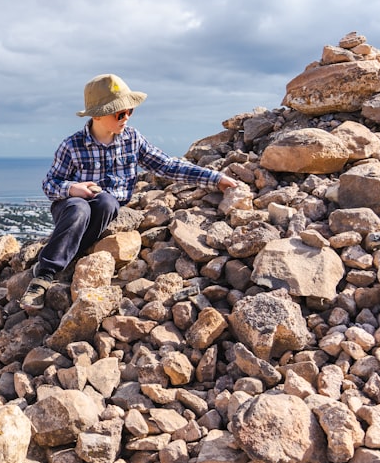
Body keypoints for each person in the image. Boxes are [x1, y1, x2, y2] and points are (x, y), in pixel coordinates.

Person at [20, 73, 238, 311]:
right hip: (71, 208)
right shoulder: (72, 146)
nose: (127, 118)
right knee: (80, 207)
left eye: (130, 111)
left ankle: (66, 254)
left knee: (106, 202)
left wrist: (215, 179)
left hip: (106, 208)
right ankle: (44, 275)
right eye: (120, 113)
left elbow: (167, 165)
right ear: (98, 115)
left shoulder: (132, 139)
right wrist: (73, 188)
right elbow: (50, 184)